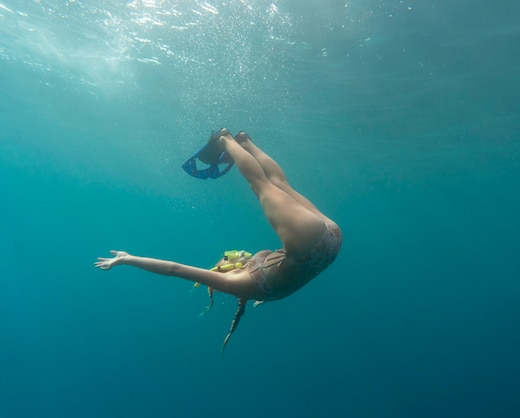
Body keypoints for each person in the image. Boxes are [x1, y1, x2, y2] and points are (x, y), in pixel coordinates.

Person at [95, 129, 342, 351]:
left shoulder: (259, 290)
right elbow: (175, 269)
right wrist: (128, 259)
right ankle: (225, 140)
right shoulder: (237, 285)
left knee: (274, 184)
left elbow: (260, 269)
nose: (236, 259)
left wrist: (128, 259)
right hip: (309, 244)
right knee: (261, 184)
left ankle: (246, 142)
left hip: (331, 241)